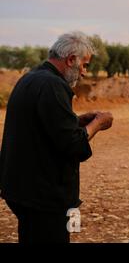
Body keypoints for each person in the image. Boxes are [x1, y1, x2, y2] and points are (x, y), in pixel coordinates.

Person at [0, 31, 113, 243]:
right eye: (84, 65)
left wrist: (76, 121)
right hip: (42, 195)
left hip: (20, 188)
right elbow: (73, 144)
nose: (84, 73)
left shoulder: (31, 78)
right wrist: (98, 124)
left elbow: (41, 125)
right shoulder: (54, 85)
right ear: (71, 59)